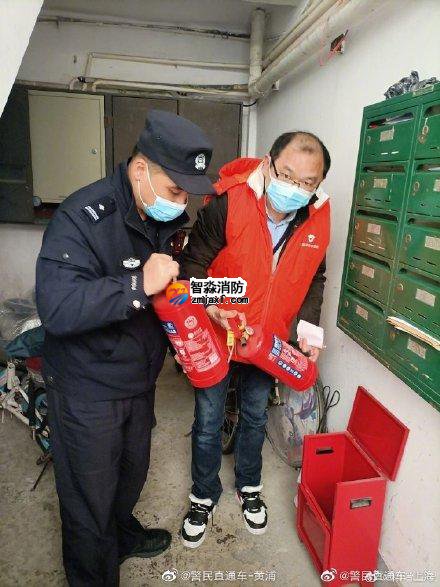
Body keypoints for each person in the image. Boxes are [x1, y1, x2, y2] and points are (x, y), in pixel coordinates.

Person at [35, 110, 215, 585]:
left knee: (130, 473)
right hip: (86, 386)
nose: (181, 203)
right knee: (88, 499)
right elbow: (58, 307)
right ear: (140, 170)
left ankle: (121, 536)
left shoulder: (162, 217)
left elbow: (170, 288)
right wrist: (137, 285)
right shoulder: (82, 216)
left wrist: (208, 306)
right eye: (174, 190)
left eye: (187, 194)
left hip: (138, 377)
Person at [179, 131, 331, 548]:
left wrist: (307, 331)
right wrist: (213, 306)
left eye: (307, 182)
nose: (295, 188)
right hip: (217, 333)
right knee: (208, 421)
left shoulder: (316, 218)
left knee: (256, 417)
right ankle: (203, 494)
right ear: (268, 164)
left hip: (268, 341)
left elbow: (314, 278)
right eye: (287, 175)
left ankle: (249, 486)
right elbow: (191, 266)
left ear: (318, 185)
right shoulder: (228, 204)